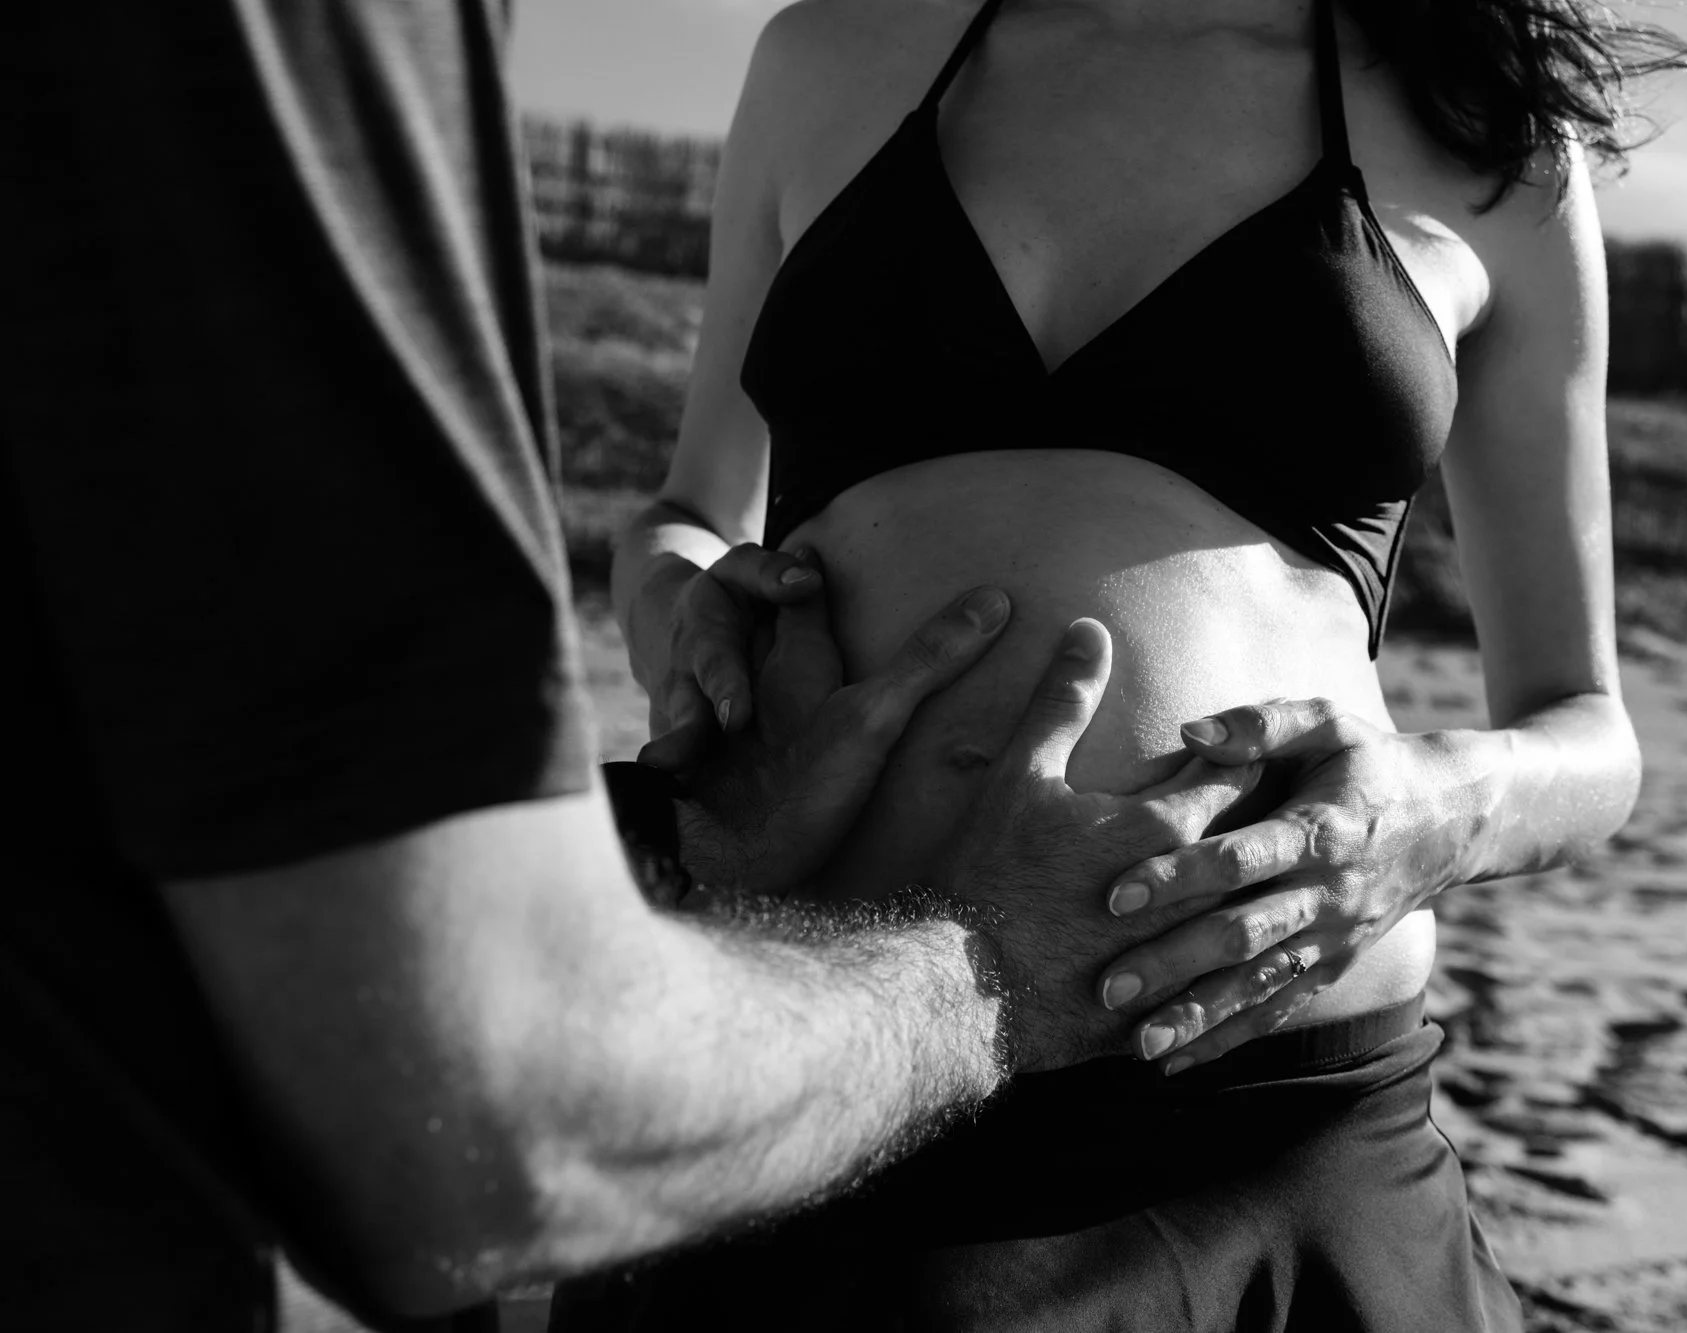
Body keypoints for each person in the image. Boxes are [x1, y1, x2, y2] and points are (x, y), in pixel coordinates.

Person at [0, 5, 1279, 1331]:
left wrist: (1437, 816)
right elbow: (482, 1120)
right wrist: (991, 966)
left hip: (1178, 1072)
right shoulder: (301, 50)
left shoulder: (1458, 122)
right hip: (817, 1032)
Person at [576, 0, 1687, 1325]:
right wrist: (681, 605)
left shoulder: (1489, 137)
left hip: (1268, 1109)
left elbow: (1589, 733)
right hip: (834, 1045)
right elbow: (689, 510)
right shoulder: (837, 51)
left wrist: (1433, 815)